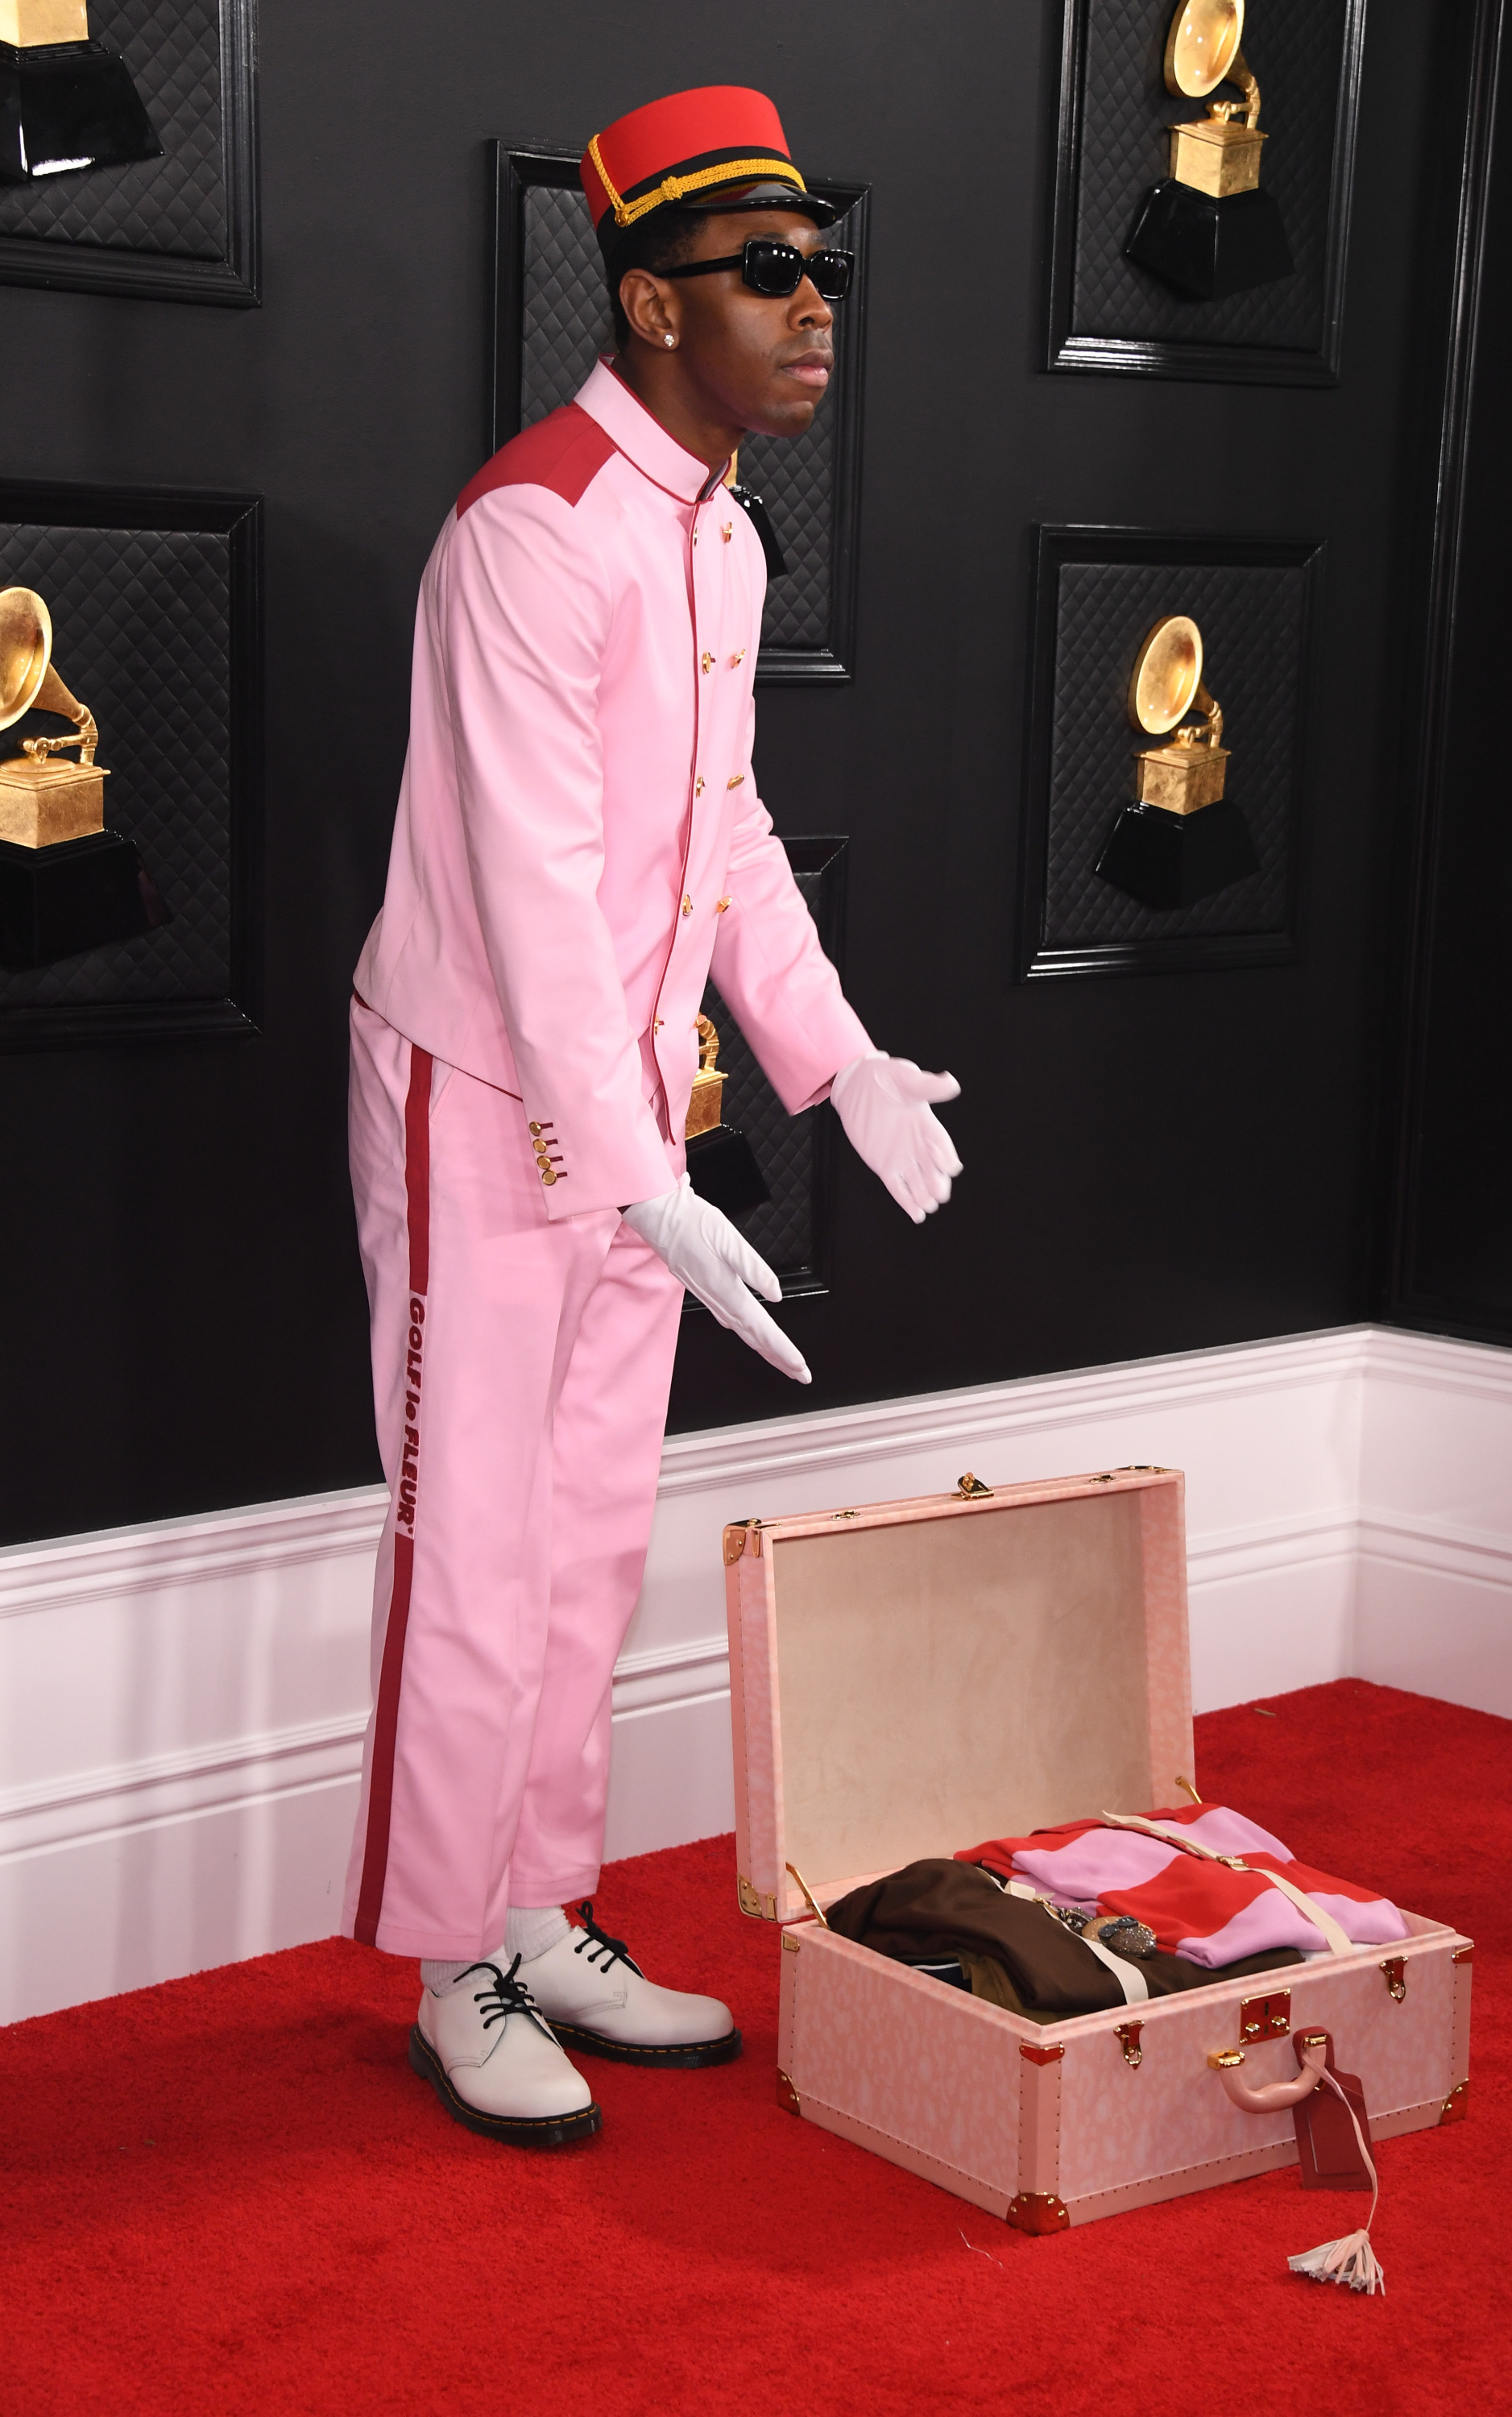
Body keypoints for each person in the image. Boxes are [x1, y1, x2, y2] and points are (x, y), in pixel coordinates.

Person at [342, 84, 962, 2147]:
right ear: (647, 298)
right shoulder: (531, 527)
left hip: (629, 1106)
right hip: (480, 1095)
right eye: (766, 272)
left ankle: (537, 1906)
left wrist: (833, 1057)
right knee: (476, 1539)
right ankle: (449, 1958)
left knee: (591, 1532)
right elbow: (528, 894)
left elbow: (724, 832)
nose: (814, 307)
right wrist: (634, 1175)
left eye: (821, 267)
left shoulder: (720, 532)